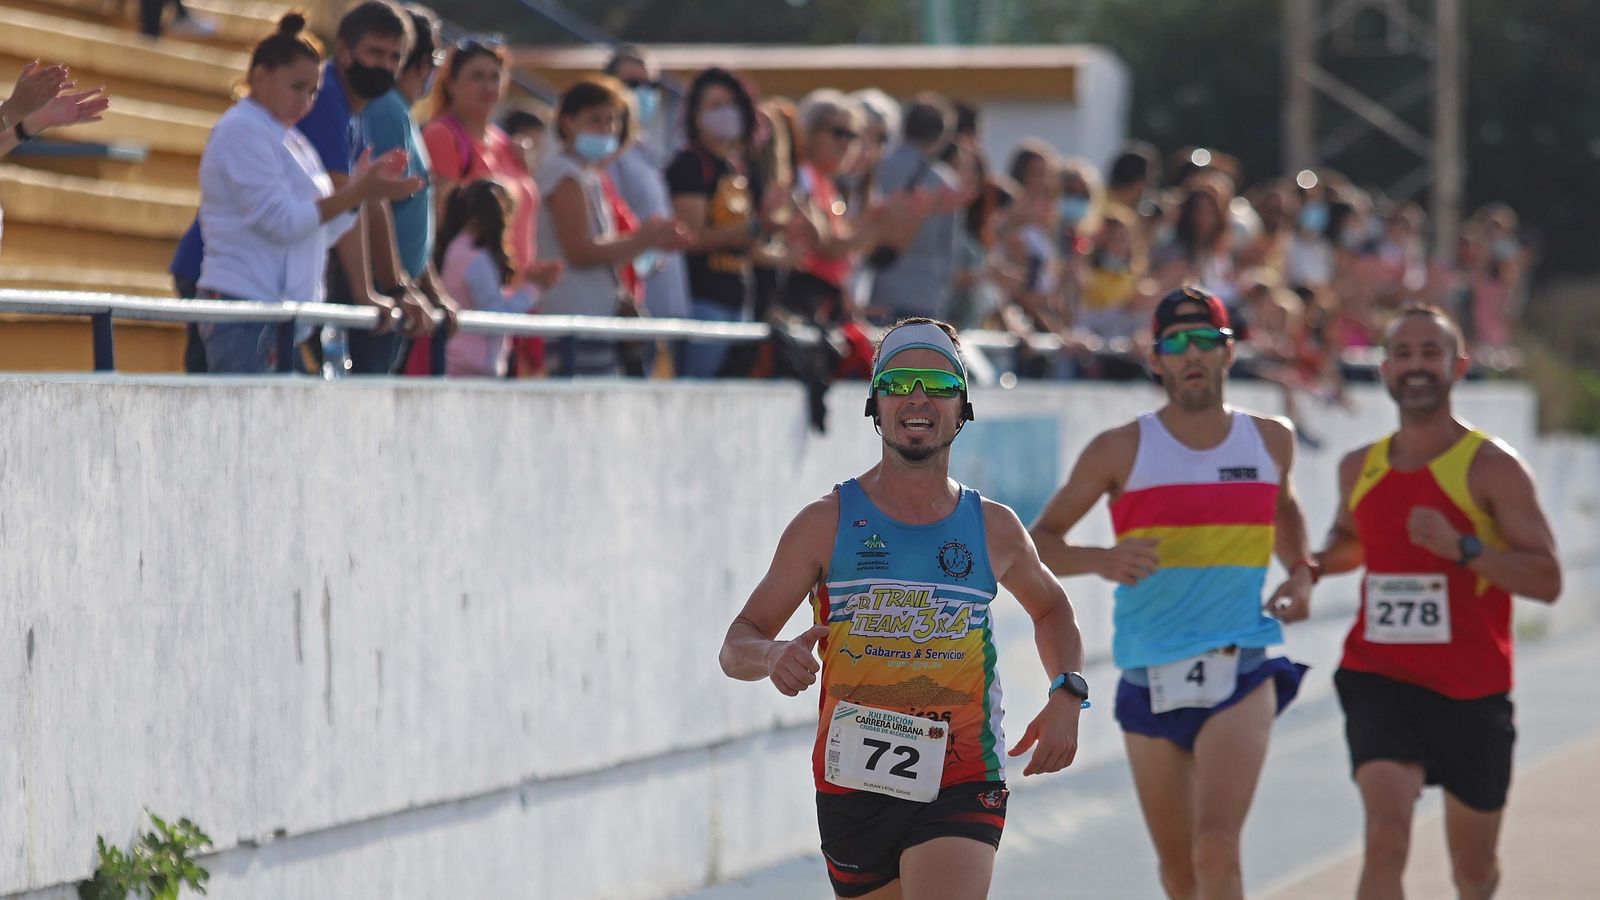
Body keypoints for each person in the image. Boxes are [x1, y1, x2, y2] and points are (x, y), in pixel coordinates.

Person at [719, 318, 1087, 899]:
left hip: (964, 776)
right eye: (900, 381)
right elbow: (737, 642)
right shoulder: (825, 524)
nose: (918, 398)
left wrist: (1067, 689)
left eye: (938, 384)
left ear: (963, 406)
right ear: (875, 403)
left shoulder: (993, 528)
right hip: (853, 787)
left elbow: (1053, 609)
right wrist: (770, 655)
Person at [1029, 285, 1312, 900]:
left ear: (1228, 353)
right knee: (1179, 874)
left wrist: (1300, 570)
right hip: (1149, 674)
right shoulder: (1119, 449)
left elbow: (1284, 509)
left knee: (1216, 850)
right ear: (1155, 359)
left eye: (1205, 340)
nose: (1192, 354)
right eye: (1176, 343)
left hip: (1242, 666)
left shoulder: (1271, 440)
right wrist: (1101, 559)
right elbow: (1038, 542)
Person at [1303, 304, 1560, 900]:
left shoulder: (1493, 469)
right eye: (1403, 354)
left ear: (1458, 366)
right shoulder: (1357, 467)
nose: (1416, 366)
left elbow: (1546, 580)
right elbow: (1354, 544)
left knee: (1473, 872)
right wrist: (1312, 569)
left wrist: (1463, 548)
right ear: (1385, 369)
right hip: (1379, 675)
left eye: (1430, 353)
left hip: (1473, 691)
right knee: (1386, 835)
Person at [195, 13, 420, 372]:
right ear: (260, 76)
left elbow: (321, 231)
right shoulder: (241, 130)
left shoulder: (293, 139)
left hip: (282, 317)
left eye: (313, 90)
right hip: (242, 309)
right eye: (296, 87)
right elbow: (280, 223)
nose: (306, 99)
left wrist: (358, 195)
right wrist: (356, 192)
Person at [301, 0, 433, 373]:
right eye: (375, 52)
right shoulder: (324, 94)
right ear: (343, 49)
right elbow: (350, 200)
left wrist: (397, 287)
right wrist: (366, 293)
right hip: (239, 272)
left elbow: (370, 199)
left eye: (395, 57)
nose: (385, 66)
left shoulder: (356, 110)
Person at [536, 76, 687, 376]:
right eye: (595, 120)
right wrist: (642, 240)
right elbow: (578, 251)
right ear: (567, 122)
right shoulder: (563, 173)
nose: (606, 129)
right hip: (573, 322)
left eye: (611, 121)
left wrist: (647, 241)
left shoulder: (588, 174)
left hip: (593, 322)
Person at [364, 3, 460, 375]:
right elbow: (376, 202)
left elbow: (415, 217)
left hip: (402, 292)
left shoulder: (402, 112)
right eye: (435, 56)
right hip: (386, 291)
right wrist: (399, 286)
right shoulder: (386, 110)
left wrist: (431, 288)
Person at [667, 67, 765, 378]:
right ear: (695, 115)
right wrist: (755, 227)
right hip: (702, 300)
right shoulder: (690, 164)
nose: (726, 113)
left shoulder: (734, 168)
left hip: (737, 300)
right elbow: (691, 237)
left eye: (732, 103)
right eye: (715, 105)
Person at [604, 44, 691, 323]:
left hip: (661, 304)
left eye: (650, 84)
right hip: (631, 307)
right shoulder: (608, 152)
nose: (643, 92)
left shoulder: (644, 150)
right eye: (632, 83)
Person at [869, 94, 966, 324]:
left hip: (875, 289)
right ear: (941, 136)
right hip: (925, 293)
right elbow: (949, 248)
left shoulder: (876, 167)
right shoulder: (947, 184)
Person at [436, 180, 523, 376]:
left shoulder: (456, 248)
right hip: (471, 370)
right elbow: (496, 315)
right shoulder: (474, 258)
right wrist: (534, 288)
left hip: (458, 364)